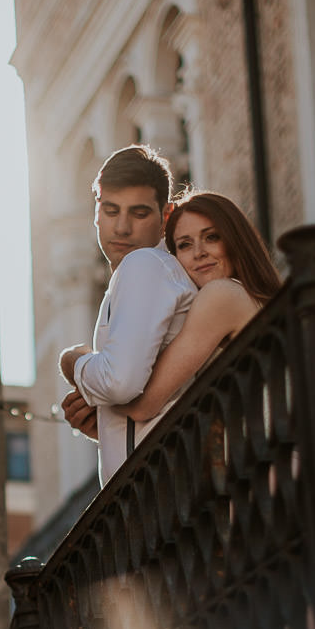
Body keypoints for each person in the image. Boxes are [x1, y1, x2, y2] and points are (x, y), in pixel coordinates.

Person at [61, 190, 278, 473]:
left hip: (262, 475)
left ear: (235, 241)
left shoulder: (222, 296)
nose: (199, 252)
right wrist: (103, 429)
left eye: (212, 237)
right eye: (185, 245)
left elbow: (141, 405)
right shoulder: (256, 302)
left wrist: (74, 361)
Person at [55, 146, 192, 484]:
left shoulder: (144, 264)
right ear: (96, 212)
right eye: (111, 210)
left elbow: (119, 382)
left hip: (164, 503)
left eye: (140, 213)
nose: (122, 227)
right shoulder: (148, 274)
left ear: (166, 216)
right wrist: (103, 424)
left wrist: (73, 361)